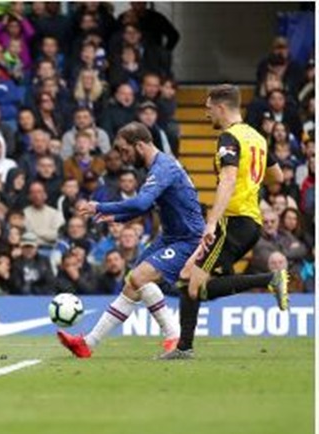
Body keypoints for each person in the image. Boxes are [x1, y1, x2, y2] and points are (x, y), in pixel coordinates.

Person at [57, 121, 204, 359]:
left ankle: (174, 336)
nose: (124, 157)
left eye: (125, 150)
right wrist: (115, 214)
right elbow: (142, 207)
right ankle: (88, 343)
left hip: (188, 240)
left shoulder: (163, 167)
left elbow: (142, 203)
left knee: (139, 277)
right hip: (170, 237)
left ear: (140, 145)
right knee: (131, 284)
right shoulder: (157, 167)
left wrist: (100, 206)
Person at [163, 84, 287, 360]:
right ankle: (184, 347)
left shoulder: (229, 138)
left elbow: (229, 179)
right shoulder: (257, 138)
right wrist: (252, 182)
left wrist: (211, 222)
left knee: (193, 285)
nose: (207, 115)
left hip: (233, 221)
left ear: (221, 107)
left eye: (208, 109)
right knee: (190, 278)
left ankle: (271, 279)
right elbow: (277, 176)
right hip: (249, 221)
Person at [23, 181, 65, 252]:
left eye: (39, 192)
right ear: (29, 196)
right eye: (33, 192)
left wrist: (35, 231)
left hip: (52, 250)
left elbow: (56, 235)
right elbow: (27, 236)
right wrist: (46, 235)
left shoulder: (55, 213)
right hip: (31, 250)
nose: (36, 195)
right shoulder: (24, 213)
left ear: (45, 195)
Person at [63, 131, 106, 196]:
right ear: (75, 145)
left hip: (96, 194)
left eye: (85, 142)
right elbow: (68, 181)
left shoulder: (100, 162)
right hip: (76, 194)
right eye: (79, 142)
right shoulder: (68, 163)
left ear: (91, 145)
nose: (81, 145)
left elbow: (102, 181)